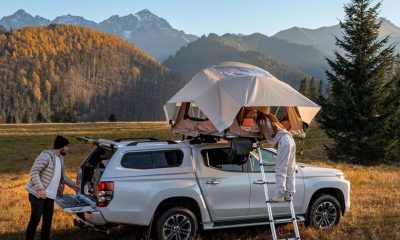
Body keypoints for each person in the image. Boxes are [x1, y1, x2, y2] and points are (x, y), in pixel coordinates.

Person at [25, 135, 78, 240]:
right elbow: (34, 172)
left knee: (48, 221)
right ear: (61, 146)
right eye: (67, 146)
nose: (68, 149)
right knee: (35, 219)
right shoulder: (46, 156)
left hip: (50, 197)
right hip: (37, 195)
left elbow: (62, 176)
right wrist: (40, 190)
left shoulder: (61, 159)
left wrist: (73, 186)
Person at [255, 112, 297, 202]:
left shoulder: (262, 121)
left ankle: (279, 194)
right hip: (290, 139)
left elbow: (266, 134)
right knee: (290, 169)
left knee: (280, 168)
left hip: (284, 141)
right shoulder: (271, 117)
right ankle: (289, 194)